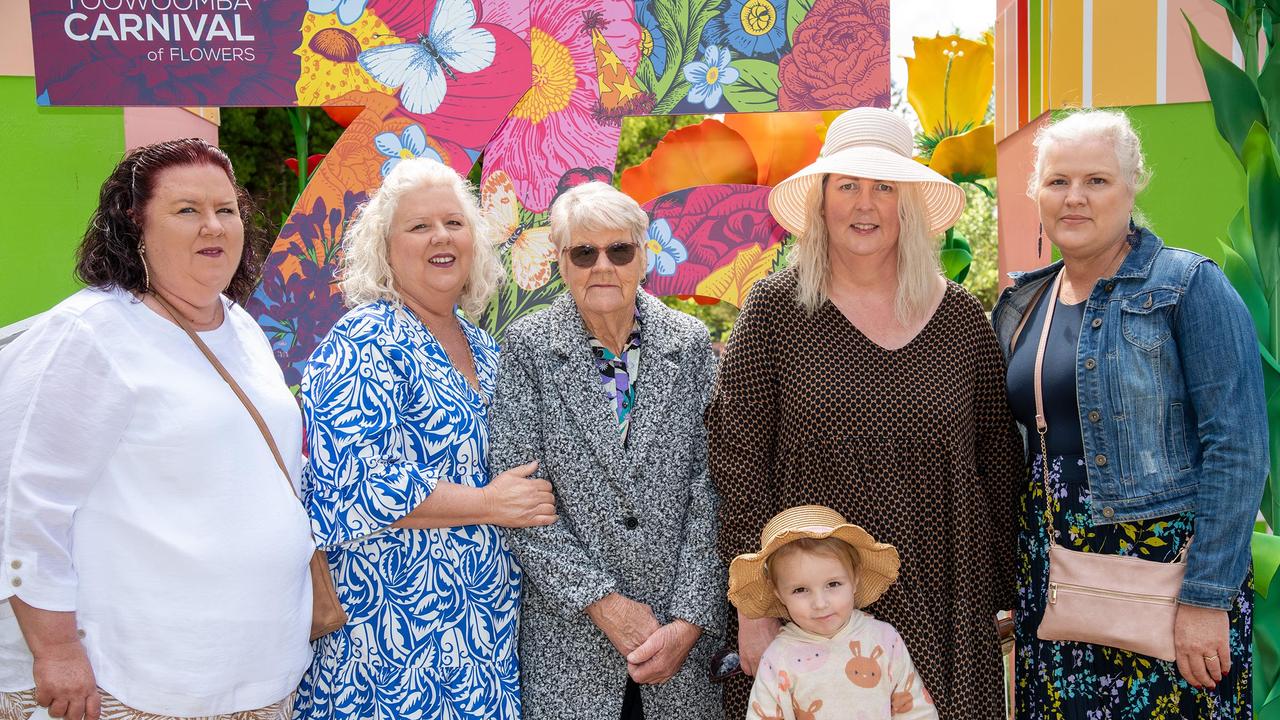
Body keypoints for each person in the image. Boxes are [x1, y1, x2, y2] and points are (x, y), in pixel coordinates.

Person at [709, 106, 1025, 720]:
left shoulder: (959, 316)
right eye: (847, 185)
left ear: (907, 202)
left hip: (945, 595)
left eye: (884, 187)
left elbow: (997, 455)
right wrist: (754, 606)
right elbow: (737, 457)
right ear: (821, 199)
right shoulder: (776, 308)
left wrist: (999, 583)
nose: (865, 204)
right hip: (813, 608)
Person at [0, 138, 314, 720]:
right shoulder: (92, 333)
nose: (213, 226)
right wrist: (57, 651)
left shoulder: (240, 325)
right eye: (187, 210)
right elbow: (27, 507)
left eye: (226, 209)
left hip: (261, 675)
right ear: (133, 225)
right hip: (134, 682)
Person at [991, 109, 1268, 719]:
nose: (1075, 198)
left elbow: (1238, 447)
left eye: (1097, 181)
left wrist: (1206, 597)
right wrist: (1012, 578)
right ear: (1035, 190)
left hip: (1167, 588)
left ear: (1133, 184)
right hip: (1057, 590)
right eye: (1059, 181)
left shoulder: (1188, 286)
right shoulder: (1021, 303)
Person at [292, 157, 554, 720]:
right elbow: (356, 487)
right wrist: (488, 503)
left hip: (480, 635)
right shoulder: (365, 338)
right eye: (418, 226)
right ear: (386, 250)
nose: (440, 236)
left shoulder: (484, 348)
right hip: (393, 641)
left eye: (454, 223)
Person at [488, 182, 724, 720]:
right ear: (561, 262)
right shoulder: (528, 348)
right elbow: (518, 496)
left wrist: (690, 618)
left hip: (679, 644)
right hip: (571, 641)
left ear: (643, 256)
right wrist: (603, 603)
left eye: (619, 250)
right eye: (583, 252)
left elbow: (712, 488)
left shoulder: (689, 344)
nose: (603, 266)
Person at [730, 505, 937, 720]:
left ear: (855, 578)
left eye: (833, 584)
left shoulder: (885, 640)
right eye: (800, 590)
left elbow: (915, 710)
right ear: (779, 593)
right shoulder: (776, 659)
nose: (820, 603)